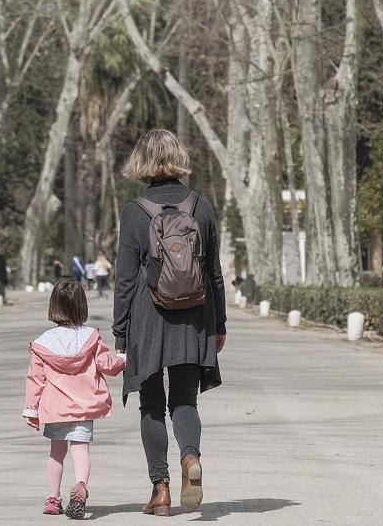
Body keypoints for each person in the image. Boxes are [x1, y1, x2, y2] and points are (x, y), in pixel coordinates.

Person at [112, 128, 226, 517]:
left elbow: (125, 278)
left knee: (150, 406)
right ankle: (189, 458)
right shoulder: (201, 207)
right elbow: (214, 274)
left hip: (148, 319)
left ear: (141, 162)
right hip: (194, 317)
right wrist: (219, 325)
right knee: (184, 399)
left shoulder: (135, 211)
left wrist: (120, 332)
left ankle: (160, 491)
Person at [23, 279, 126, 520]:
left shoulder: (43, 343)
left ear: (54, 306)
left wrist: (31, 409)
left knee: (56, 453)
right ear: (82, 306)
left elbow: (36, 379)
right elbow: (107, 365)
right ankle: (80, 485)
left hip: (55, 407)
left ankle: (52, 498)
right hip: (84, 406)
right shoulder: (91, 337)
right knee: (80, 452)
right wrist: (122, 358)